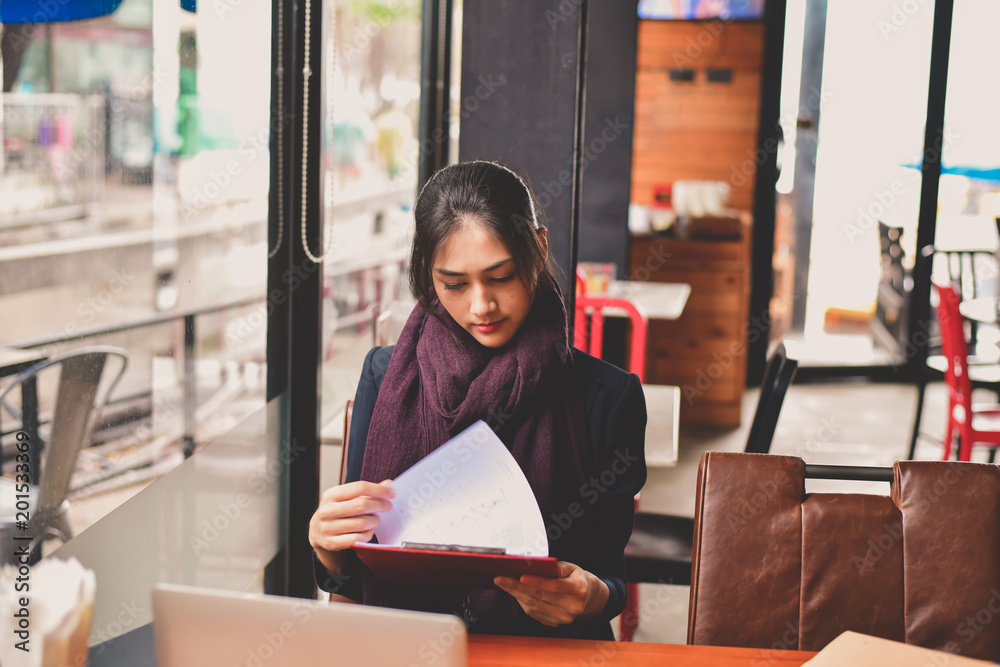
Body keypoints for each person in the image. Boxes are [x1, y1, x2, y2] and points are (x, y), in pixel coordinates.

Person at [309, 160, 646, 640]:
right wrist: (327, 545)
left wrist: (590, 595)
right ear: (429, 275)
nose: (481, 305)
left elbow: (608, 576)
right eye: (455, 284)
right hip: (407, 647)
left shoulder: (606, 397)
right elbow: (350, 573)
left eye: (501, 276)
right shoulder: (384, 375)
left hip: (541, 652)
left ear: (539, 248)